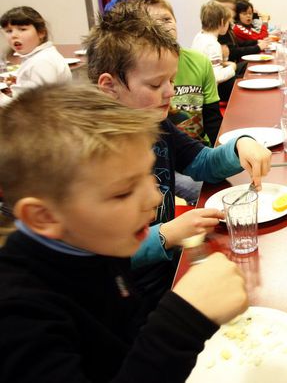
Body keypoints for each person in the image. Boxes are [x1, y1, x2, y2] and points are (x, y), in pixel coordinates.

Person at [0, 83, 249, 382]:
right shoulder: (18, 317)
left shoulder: (93, 242)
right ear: (44, 216)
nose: (155, 199)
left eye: (146, 175)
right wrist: (184, 320)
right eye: (122, 192)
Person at [85, 3, 272, 310]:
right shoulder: (92, 153)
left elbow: (202, 163)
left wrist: (240, 145)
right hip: (128, 296)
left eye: (171, 80)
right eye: (156, 84)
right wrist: (166, 234)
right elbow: (96, 254)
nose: (170, 92)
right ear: (109, 86)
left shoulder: (156, 124)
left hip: (168, 270)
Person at [127, 0, 223, 147]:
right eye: (153, 21)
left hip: (197, 149)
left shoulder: (199, 61)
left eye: (167, 19)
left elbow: (212, 118)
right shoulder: (135, 71)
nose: (164, 26)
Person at [0, 6, 72, 106]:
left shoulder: (43, 62)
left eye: (22, 29)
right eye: (8, 31)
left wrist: (2, 98)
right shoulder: (39, 56)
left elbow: (34, 104)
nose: (14, 35)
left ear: (41, 32)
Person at [191, 1, 238, 102]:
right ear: (222, 22)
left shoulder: (199, 36)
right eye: (228, 22)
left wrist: (225, 60)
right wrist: (232, 67)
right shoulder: (212, 44)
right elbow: (216, 77)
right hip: (210, 93)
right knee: (239, 79)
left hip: (200, 86)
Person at [214, 0, 265, 71]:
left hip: (230, 66)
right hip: (228, 68)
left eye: (232, 10)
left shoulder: (227, 27)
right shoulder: (221, 29)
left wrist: (256, 42)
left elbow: (238, 44)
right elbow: (232, 52)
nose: (231, 13)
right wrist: (257, 47)